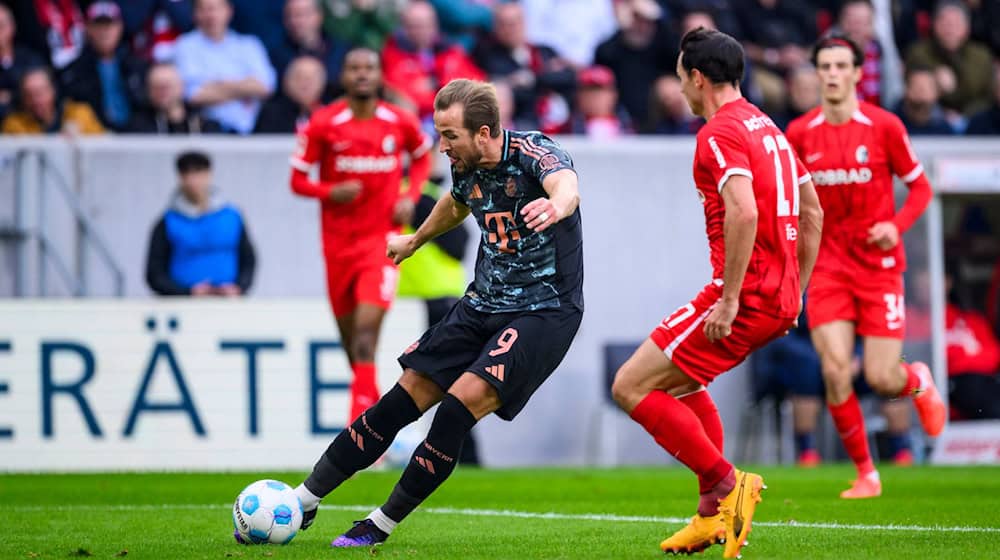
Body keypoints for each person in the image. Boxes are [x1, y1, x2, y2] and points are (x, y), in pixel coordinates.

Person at [283, 78, 584, 548]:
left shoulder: (532, 151)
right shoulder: (466, 166)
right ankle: (303, 499)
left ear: (483, 133)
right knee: (398, 403)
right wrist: (415, 239)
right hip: (482, 302)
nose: (441, 145)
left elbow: (566, 183)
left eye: (450, 135)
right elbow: (456, 202)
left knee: (455, 409)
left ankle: (378, 525)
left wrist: (557, 206)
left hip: (542, 310)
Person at [611, 28, 823, 558]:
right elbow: (814, 211)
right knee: (683, 382)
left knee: (630, 386)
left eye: (682, 78)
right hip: (778, 296)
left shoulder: (719, 133)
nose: (680, 89)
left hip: (744, 293)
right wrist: (797, 290)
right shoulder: (769, 127)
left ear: (698, 78)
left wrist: (728, 299)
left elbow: (744, 210)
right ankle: (710, 516)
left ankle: (729, 483)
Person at [785, 33, 946, 499]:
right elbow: (795, 203)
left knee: (880, 376)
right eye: (825, 66)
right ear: (817, 74)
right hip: (830, 268)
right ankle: (866, 474)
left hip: (878, 267)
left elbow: (921, 189)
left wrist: (895, 227)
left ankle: (916, 380)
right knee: (835, 369)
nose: (833, 74)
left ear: (857, 73)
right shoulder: (800, 134)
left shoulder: (884, 126)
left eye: (841, 66)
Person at [288, 47, 433, 424]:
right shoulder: (323, 123)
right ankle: (375, 416)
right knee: (354, 345)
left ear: (380, 74)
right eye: (354, 68)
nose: (362, 74)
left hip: (381, 243)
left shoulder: (398, 121)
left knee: (367, 337)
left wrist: (410, 195)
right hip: (337, 247)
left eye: (369, 68)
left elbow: (423, 156)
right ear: (344, 75)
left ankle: (363, 431)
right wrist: (329, 191)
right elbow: (297, 180)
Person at [146, 151, 256, 296]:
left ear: (209, 174)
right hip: (184, 306)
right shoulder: (167, 222)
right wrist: (187, 292)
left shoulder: (232, 216)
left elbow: (248, 259)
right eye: (187, 174)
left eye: (198, 172)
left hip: (228, 303)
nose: (193, 181)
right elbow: (155, 273)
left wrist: (239, 287)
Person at [174, 0, 276, 134]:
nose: (211, 15)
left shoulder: (249, 45)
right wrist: (245, 88)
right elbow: (193, 95)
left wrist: (216, 85)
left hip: (252, 131)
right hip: (206, 130)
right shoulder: (184, 45)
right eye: (204, 9)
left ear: (229, 11)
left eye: (216, 8)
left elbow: (266, 86)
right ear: (194, 14)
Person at [58, 2, 147, 131]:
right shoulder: (73, 73)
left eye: (109, 25)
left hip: (137, 138)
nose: (104, 32)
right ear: (88, 28)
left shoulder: (138, 67)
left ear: (120, 27)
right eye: (98, 25)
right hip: (94, 140)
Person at [1, 66, 104, 134]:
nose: (36, 100)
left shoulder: (80, 114)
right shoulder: (13, 125)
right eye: (29, 95)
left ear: (52, 91)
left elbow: (103, 147)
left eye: (40, 93)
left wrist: (79, 139)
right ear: (23, 98)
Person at [127, 62, 224, 134]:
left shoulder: (204, 124)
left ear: (181, 87)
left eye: (166, 87)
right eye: (156, 87)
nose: (161, 92)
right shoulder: (137, 128)